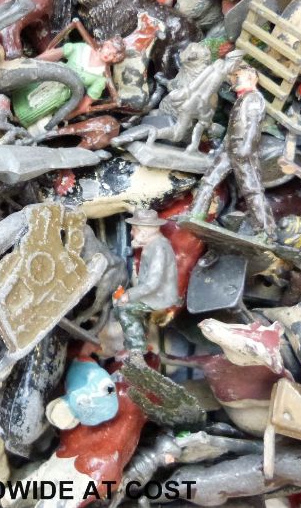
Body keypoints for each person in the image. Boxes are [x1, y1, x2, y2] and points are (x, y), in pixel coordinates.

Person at [190, 63, 276, 236]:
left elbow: (253, 125)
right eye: (235, 77)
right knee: (209, 180)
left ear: (251, 78)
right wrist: (222, 148)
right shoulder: (241, 99)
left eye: (238, 76)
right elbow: (231, 130)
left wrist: (247, 147)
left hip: (242, 149)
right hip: (229, 149)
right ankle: (195, 214)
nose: (235, 80)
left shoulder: (253, 98)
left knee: (252, 190)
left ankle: (266, 232)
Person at [113, 209, 178, 352]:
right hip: (154, 293)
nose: (131, 233)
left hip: (160, 297)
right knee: (117, 300)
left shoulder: (159, 248)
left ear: (143, 232)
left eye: (134, 229)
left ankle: (136, 350)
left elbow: (152, 284)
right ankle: (139, 334)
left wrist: (129, 294)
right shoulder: (153, 244)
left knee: (124, 308)